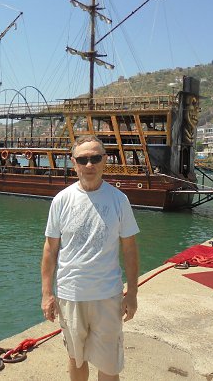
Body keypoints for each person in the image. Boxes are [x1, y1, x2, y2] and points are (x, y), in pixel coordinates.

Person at [41, 135, 140, 381]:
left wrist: (132, 293)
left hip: (108, 295)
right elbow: (50, 249)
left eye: (95, 158)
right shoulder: (61, 200)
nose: (89, 165)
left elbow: (129, 249)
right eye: (83, 159)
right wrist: (47, 293)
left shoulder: (119, 200)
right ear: (73, 162)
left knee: (109, 365)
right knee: (76, 358)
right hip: (70, 294)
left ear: (105, 160)